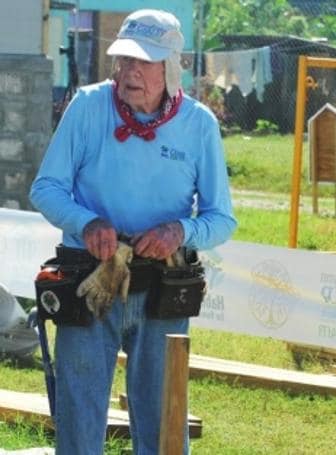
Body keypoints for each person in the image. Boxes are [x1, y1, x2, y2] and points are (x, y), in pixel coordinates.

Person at [30, 9, 236, 454]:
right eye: (124, 60)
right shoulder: (87, 106)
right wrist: (87, 223)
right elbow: (45, 188)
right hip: (89, 279)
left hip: (162, 287)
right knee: (80, 417)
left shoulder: (198, 124)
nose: (130, 71)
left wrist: (179, 231)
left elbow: (222, 219)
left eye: (143, 62)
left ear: (172, 67)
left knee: (164, 420)